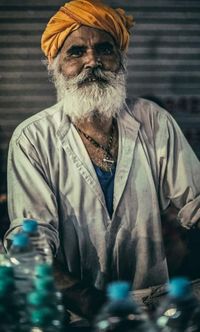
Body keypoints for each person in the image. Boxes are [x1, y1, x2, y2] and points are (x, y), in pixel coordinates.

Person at [4, 0, 200, 323]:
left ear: (120, 61)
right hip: (74, 316)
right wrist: (96, 307)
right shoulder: (32, 140)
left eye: (104, 49)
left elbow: (196, 200)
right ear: (56, 65)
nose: (92, 61)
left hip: (151, 309)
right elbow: (32, 246)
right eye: (76, 52)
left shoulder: (154, 122)